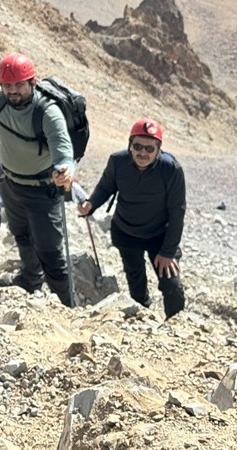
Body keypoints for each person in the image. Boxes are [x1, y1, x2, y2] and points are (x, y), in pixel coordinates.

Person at [0, 52, 76, 305]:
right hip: (10, 184)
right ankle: (30, 281)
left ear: (33, 82)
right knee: (21, 235)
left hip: (43, 191)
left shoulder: (48, 112)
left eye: (19, 84)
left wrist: (65, 169)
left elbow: (63, 152)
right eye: (7, 85)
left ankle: (66, 304)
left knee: (50, 251)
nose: (12, 91)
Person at [78, 117, 186, 318]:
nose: (142, 153)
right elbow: (106, 187)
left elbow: (177, 211)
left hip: (159, 236)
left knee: (171, 285)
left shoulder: (171, 169)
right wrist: (90, 205)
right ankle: (143, 320)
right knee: (136, 282)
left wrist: (168, 251)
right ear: (130, 145)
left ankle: (175, 326)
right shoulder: (118, 161)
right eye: (137, 146)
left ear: (158, 149)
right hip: (126, 233)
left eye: (149, 148)